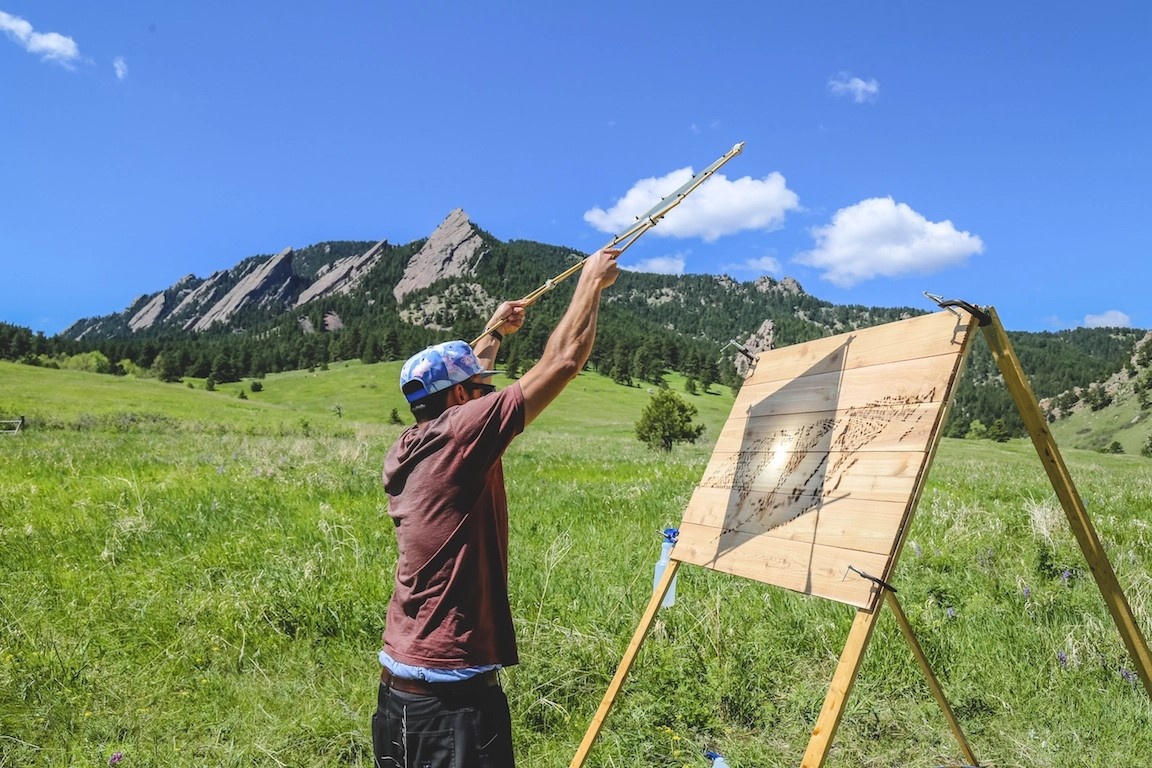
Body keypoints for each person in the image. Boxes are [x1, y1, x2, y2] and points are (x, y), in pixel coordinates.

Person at [372, 247, 621, 768]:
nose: (492, 395)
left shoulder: (412, 444)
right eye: (484, 390)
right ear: (463, 400)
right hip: (452, 706)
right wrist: (590, 284)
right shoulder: (464, 434)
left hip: (397, 697)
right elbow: (563, 362)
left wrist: (493, 332)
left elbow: (465, 386)